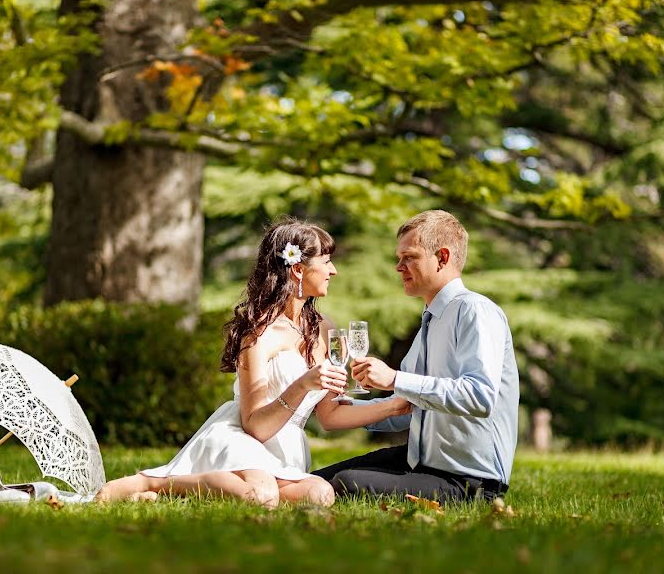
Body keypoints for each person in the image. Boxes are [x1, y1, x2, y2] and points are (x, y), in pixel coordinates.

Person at [95, 217, 410, 508]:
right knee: (260, 495)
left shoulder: (324, 329)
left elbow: (329, 415)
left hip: (286, 448)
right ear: (298, 269)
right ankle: (155, 482)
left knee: (320, 494)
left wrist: (395, 405)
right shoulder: (259, 334)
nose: (333, 271)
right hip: (242, 438)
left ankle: (171, 493)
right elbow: (255, 426)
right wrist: (304, 384)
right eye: (326, 262)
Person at [312, 210, 520, 503]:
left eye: (409, 257)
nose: (399, 267)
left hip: (469, 481)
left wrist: (395, 378)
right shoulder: (431, 319)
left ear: (443, 258)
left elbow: (480, 397)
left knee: (346, 483)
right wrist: (348, 409)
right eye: (399, 258)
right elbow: (407, 407)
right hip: (419, 464)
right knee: (313, 482)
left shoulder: (474, 311)